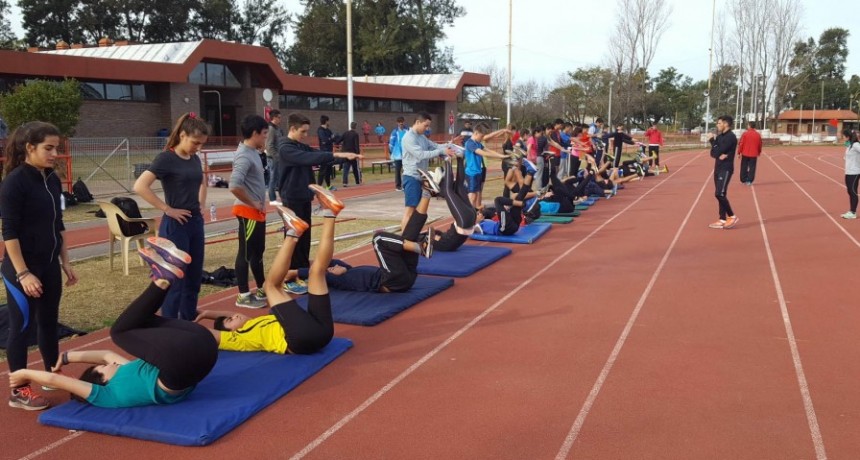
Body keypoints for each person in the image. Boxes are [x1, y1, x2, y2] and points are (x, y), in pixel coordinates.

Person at [9, 239, 218, 409]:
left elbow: (106, 355)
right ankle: (162, 280)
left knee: (139, 322)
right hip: (182, 366)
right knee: (118, 332)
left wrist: (66, 357)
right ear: (100, 380)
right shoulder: (104, 394)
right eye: (103, 368)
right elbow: (57, 382)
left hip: (204, 347)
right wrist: (23, 373)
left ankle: (164, 276)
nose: (110, 363)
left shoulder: (130, 371)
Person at [194, 185, 343, 355]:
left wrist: (206, 313)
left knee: (317, 271)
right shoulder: (239, 339)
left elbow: (232, 312)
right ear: (231, 332)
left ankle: (330, 212)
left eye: (232, 316)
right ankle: (293, 233)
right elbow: (210, 334)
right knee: (270, 286)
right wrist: (181, 326)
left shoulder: (252, 322)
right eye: (230, 320)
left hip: (322, 332)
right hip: (300, 340)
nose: (235, 316)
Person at [1, 121, 79, 410]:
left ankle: (51, 374)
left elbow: (57, 225)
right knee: (21, 327)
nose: (54, 153)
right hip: (22, 270)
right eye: (49, 148)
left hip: (48, 265)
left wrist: (65, 262)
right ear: (29, 147)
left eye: (56, 148)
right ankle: (19, 391)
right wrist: (23, 273)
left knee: (48, 322)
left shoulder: (51, 179)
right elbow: (9, 232)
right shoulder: (14, 183)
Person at [290, 183, 435, 293]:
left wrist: (308, 262)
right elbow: (317, 270)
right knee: (379, 239)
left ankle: (427, 193)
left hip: (404, 275)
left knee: (408, 235)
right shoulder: (332, 278)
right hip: (392, 281)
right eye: (330, 268)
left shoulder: (346, 271)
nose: (333, 267)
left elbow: (327, 261)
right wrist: (293, 273)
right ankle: (420, 248)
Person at [134, 113, 209, 320]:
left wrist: (201, 204)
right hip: (176, 225)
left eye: (202, 144)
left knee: (194, 278)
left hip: (195, 222)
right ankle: (169, 325)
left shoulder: (194, 158)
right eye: (195, 143)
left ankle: (188, 321)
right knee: (175, 280)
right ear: (182, 135)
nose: (198, 148)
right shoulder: (166, 158)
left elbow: (202, 182)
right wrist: (167, 208)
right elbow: (140, 186)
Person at [277, 113, 361, 294]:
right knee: (294, 238)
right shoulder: (285, 148)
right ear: (292, 129)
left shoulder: (301, 146)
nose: (305, 135)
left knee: (305, 237)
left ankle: (301, 272)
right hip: (291, 197)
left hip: (304, 196)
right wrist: (337, 154)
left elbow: (318, 154)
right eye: (303, 131)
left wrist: (344, 157)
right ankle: (289, 277)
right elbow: (310, 158)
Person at [230, 115, 269, 309]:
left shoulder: (252, 151)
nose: (265, 138)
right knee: (245, 254)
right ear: (254, 134)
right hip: (247, 211)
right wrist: (253, 202)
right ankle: (244, 294)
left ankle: (262, 287)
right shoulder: (244, 155)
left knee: (258, 252)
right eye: (263, 134)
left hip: (256, 212)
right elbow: (234, 185)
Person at [400, 111, 456, 231]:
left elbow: (434, 146)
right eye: (426, 125)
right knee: (410, 210)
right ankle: (403, 240)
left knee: (418, 211)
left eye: (428, 126)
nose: (427, 128)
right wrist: (441, 151)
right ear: (418, 122)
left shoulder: (421, 137)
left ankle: (411, 236)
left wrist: (449, 145)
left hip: (421, 177)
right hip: (412, 177)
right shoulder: (408, 138)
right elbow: (420, 154)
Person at [464, 123, 510, 209]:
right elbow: (484, 153)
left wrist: (502, 156)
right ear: (476, 133)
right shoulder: (470, 143)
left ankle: (474, 213)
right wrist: (500, 156)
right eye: (481, 137)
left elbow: (488, 150)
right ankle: (468, 215)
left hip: (478, 172)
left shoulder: (478, 143)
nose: (482, 139)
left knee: (477, 194)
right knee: (472, 195)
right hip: (471, 173)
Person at [708, 115, 739, 229]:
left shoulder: (731, 137)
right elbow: (713, 153)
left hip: (726, 169)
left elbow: (717, 151)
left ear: (726, 124)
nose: (717, 125)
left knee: (719, 194)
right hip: (718, 167)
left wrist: (712, 141)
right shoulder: (720, 137)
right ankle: (722, 218)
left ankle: (732, 215)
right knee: (721, 194)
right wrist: (716, 148)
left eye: (719, 123)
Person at [266, 110, 284, 205]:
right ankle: (272, 199)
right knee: (273, 178)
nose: (280, 119)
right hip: (274, 158)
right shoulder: (271, 129)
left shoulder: (277, 129)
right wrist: (276, 157)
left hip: (278, 157)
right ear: (275, 117)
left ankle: (278, 197)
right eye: (279, 117)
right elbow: (269, 145)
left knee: (278, 177)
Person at [841, 129, 860, 219]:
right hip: (848, 172)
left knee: (853, 191)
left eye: (844, 136)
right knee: (849, 191)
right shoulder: (849, 146)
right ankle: (851, 211)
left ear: (848, 137)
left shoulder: (856, 145)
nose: (842, 137)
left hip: (854, 172)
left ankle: (853, 212)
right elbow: (845, 158)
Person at [737, 121, 762, 185]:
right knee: (752, 167)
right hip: (753, 154)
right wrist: (759, 152)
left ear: (749, 126)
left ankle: (743, 179)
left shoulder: (745, 134)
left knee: (744, 167)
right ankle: (750, 180)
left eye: (748, 125)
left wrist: (739, 152)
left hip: (745, 153)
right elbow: (759, 144)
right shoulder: (758, 134)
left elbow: (741, 144)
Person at [388, 116, 408, 191]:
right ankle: (398, 185)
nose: (401, 123)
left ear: (404, 122)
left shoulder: (407, 130)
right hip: (398, 155)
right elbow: (391, 143)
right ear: (397, 123)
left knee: (406, 170)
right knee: (398, 170)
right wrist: (391, 152)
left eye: (402, 122)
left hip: (406, 154)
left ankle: (405, 185)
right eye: (399, 122)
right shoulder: (394, 132)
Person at [316, 115, 336, 190]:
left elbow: (332, 139)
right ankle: (319, 186)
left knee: (328, 170)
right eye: (329, 121)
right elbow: (324, 140)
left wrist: (331, 138)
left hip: (329, 152)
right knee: (323, 169)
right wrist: (330, 138)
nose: (329, 122)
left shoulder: (328, 130)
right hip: (323, 152)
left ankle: (328, 186)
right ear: (326, 121)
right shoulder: (320, 130)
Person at [341, 122, 362, 187]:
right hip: (352, 153)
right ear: (355, 127)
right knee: (355, 168)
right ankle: (357, 181)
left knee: (345, 168)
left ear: (350, 126)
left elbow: (339, 140)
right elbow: (356, 145)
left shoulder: (345, 133)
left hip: (345, 153)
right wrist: (358, 154)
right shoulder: (355, 134)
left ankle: (345, 182)